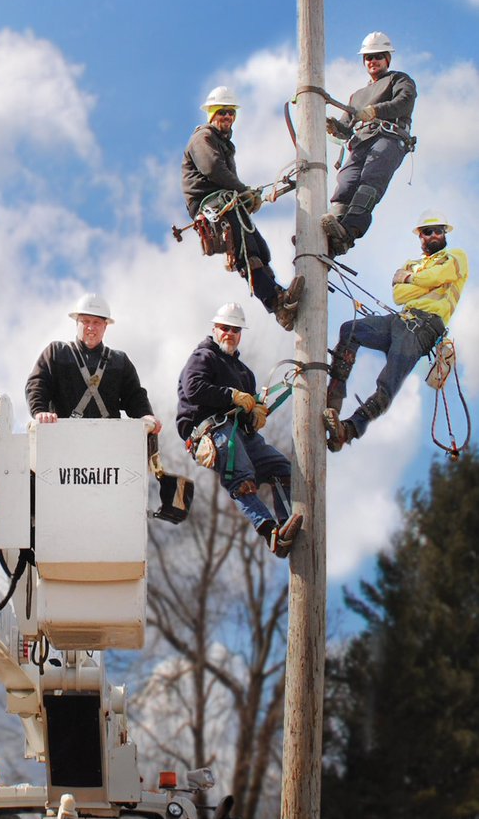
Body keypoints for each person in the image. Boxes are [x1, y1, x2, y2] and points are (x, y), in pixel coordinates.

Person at [323, 211, 468, 451]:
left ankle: (348, 430)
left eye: (438, 230)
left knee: (388, 382)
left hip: (424, 328)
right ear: (420, 237)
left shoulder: (455, 257)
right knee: (350, 330)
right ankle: (333, 399)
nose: (433, 235)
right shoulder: (413, 264)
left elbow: (442, 274)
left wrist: (412, 279)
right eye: (427, 231)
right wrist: (424, 280)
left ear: (444, 234)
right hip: (400, 319)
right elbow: (399, 294)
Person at [176, 302, 301, 557]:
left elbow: (244, 417)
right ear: (215, 329)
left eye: (235, 330)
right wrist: (231, 395)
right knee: (241, 475)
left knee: (282, 469)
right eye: (225, 328)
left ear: (240, 334)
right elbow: (194, 389)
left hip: (239, 433)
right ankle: (270, 533)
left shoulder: (245, 373)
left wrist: (254, 415)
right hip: (211, 429)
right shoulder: (204, 357)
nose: (229, 334)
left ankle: (287, 523)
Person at [181, 86, 303, 330]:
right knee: (245, 253)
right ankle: (276, 303)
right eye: (222, 112)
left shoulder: (223, 143)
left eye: (231, 113)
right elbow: (213, 169)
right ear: (212, 114)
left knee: (260, 250)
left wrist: (247, 197)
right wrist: (244, 191)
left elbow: (227, 178)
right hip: (210, 205)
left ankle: (279, 299)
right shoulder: (203, 138)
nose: (227, 117)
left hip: (225, 203)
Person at [322, 32, 417, 257]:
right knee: (345, 183)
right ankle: (331, 230)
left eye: (378, 57)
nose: (372, 61)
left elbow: (403, 103)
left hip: (389, 138)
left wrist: (375, 111)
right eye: (368, 58)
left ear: (387, 59)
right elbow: (346, 127)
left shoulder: (399, 80)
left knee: (370, 180)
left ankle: (349, 231)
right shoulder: (357, 96)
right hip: (361, 142)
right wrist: (333, 126)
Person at [25, 292, 162, 432]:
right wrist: (40, 412)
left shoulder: (119, 361)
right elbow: (37, 384)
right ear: (76, 322)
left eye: (96, 322)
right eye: (85, 321)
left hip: (107, 440)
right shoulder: (56, 352)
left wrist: (145, 415)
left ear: (105, 326)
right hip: (63, 437)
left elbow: (135, 396)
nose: (91, 327)